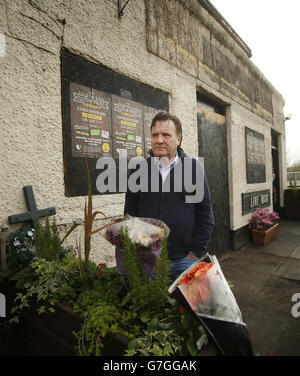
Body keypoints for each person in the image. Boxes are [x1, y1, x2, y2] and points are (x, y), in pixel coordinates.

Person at [124, 111, 214, 281]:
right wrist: (137, 249)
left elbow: (205, 213)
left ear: (178, 139)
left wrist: (195, 252)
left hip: (184, 260)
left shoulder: (193, 168)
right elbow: (130, 213)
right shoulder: (138, 170)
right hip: (148, 260)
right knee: (150, 306)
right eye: (155, 135)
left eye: (166, 135)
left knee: (183, 307)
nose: (159, 140)